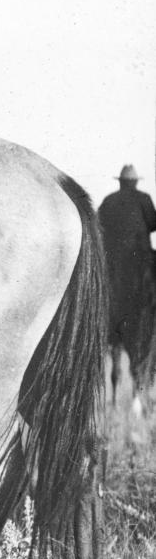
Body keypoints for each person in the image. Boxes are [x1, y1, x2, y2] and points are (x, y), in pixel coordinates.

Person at [97, 164, 156, 395]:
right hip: (140, 263)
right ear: (136, 183)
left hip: (112, 267)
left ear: (120, 182)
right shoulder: (144, 198)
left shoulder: (109, 201)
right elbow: (153, 224)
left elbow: (97, 225)